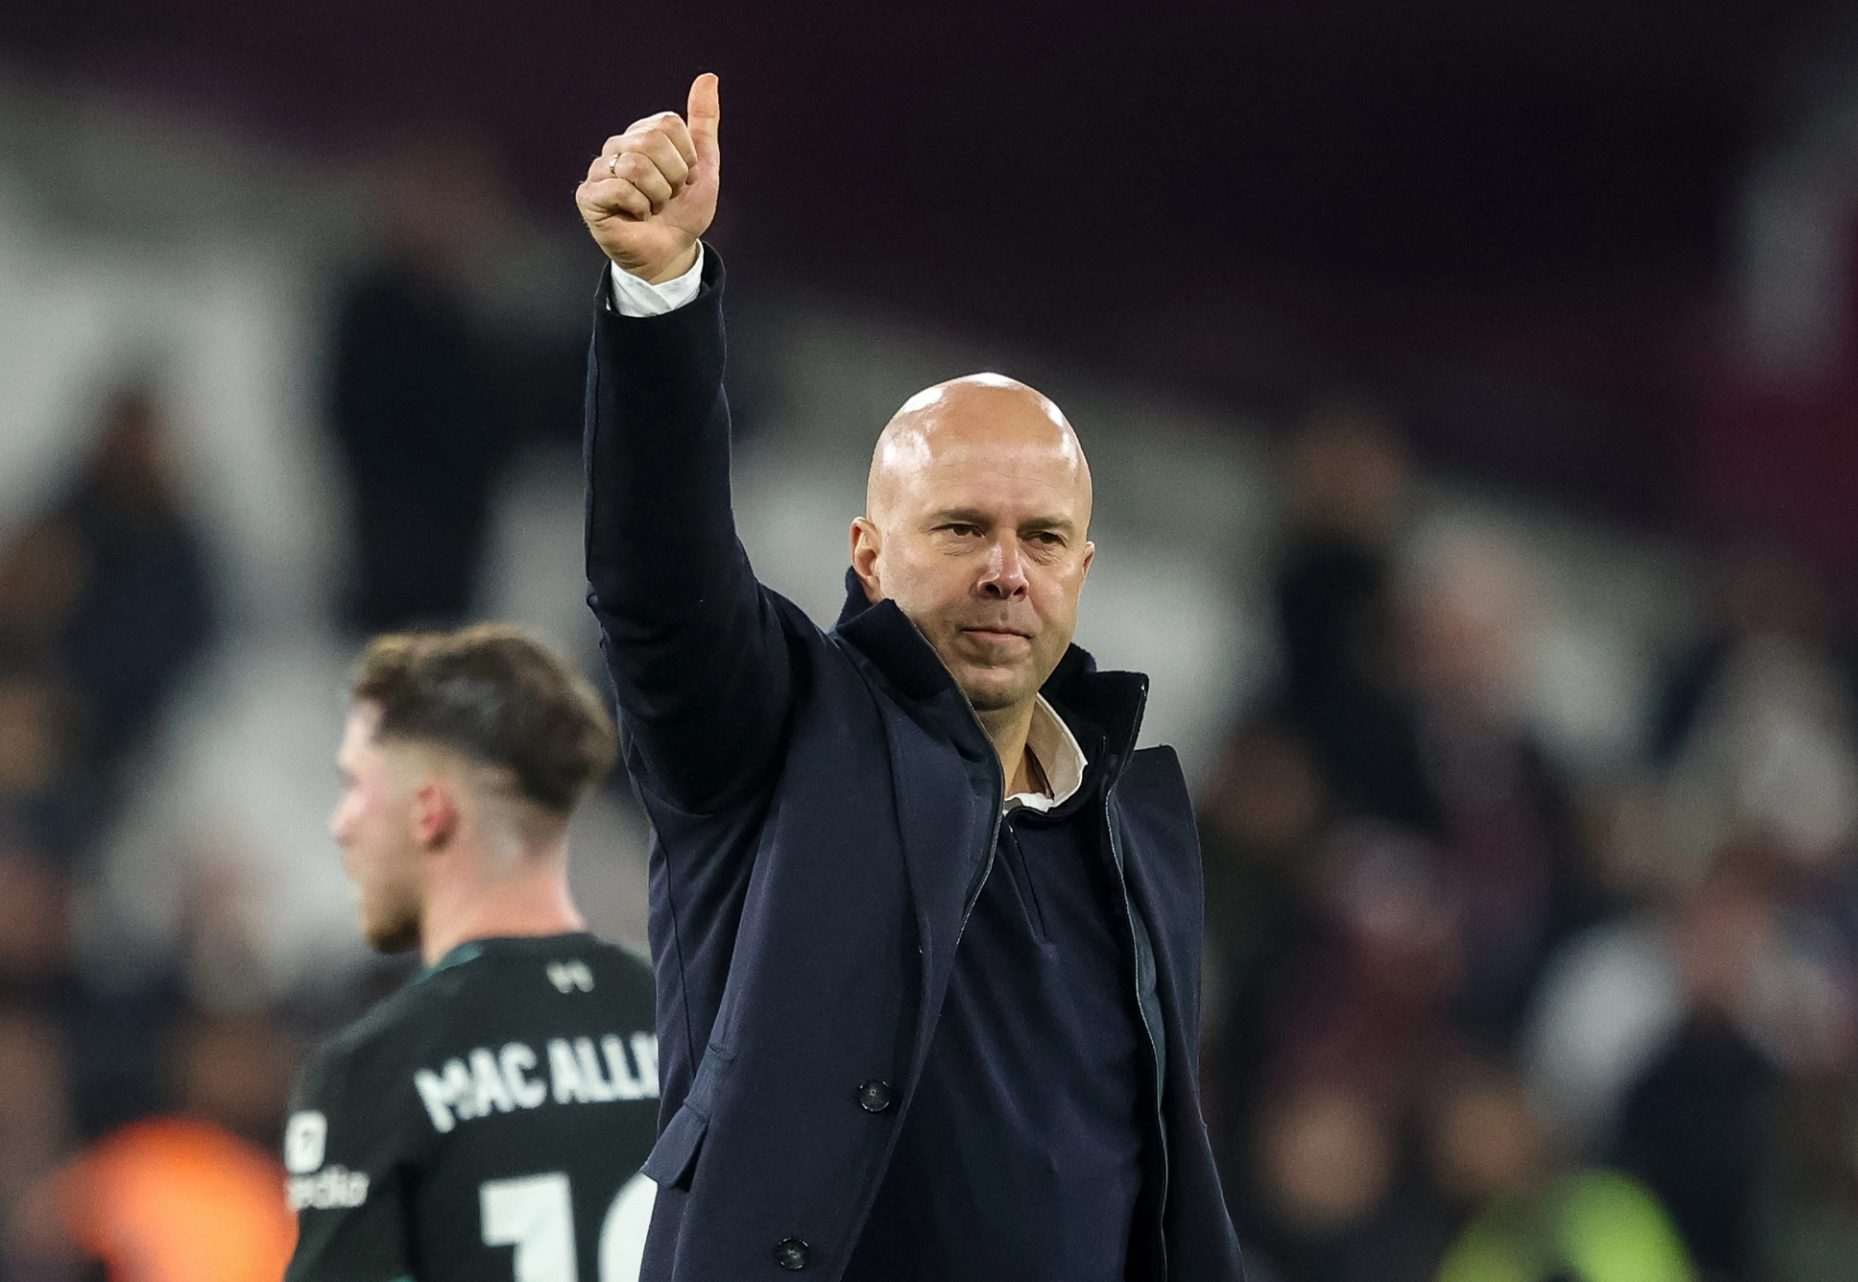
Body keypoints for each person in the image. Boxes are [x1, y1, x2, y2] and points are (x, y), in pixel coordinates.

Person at [575, 75, 1242, 1280]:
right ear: (870, 557)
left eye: (1043, 539)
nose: (1006, 572)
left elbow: (1154, 1185)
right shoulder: (778, 734)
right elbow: (659, 581)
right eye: (961, 529)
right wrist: (660, 293)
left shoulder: (1136, 829)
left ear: (1083, 570)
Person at [283, 625, 662, 1282]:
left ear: (429, 812)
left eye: (354, 785)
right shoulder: (694, 1030)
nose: (339, 824)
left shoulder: (375, 1071)